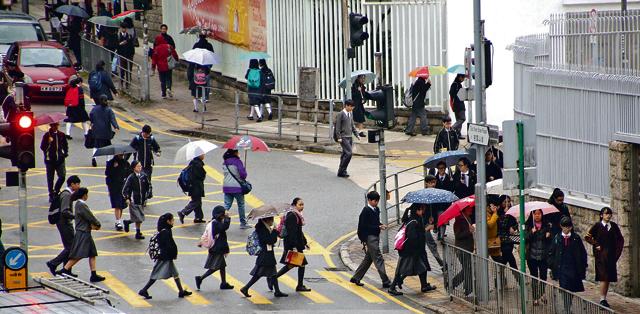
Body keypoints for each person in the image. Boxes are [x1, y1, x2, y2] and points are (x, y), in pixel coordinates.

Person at [138, 213, 193, 299]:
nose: (173, 222)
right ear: (168, 221)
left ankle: (181, 291)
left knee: (175, 274)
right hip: (164, 257)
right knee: (155, 274)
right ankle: (144, 290)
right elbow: (168, 246)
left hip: (167, 257)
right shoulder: (165, 232)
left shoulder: (165, 230)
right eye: (172, 220)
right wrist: (172, 254)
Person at [57, 188, 105, 283]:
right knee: (79, 254)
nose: (88, 196)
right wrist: (97, 224)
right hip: (83, 232)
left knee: (92, 253)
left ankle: (93, 274)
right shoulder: (81, 205)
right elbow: (90, 216)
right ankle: (65, 269)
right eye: (87, 194)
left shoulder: (79, 204)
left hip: (85, 231)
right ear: (84, 195)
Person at [388, 205, 437, 295]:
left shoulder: (415, 218)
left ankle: (424, 285)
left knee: (422, 268)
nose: (423, 211)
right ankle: (392, 287)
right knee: (403, 269)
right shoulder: (413, 221)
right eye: (422, 209)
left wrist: (427, 225)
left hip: (415, 251)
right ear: (417, 210)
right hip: (411, 251)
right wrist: (425, 230)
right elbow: (413, 237)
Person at [584, 207, 624, 308]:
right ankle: (602, 299)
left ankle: (604, 298)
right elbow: (587, 237)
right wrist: (596, 244)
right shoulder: (598, 226)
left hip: (610, 256)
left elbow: (620, 239)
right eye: (606, 214)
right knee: (603, 276)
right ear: (601, 215)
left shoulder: (613, 226)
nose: (608, 216)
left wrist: (616, 252)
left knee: (608, 278)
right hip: (601, 256)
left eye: (610, 214)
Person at [240, 216, 288, 298]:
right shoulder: (262, 229)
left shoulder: (264, 227)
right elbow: (269, 240)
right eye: (271, 220)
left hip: (267, 253)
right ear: (267, 220)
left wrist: (273, 231)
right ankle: (246, 287)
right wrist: (275, 231)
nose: (272, 222)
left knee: (273, 273)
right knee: (258, 274)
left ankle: (277, 291)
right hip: (265, 254)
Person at [350, 191, 391, 288]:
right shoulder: (365, 211)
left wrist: (380, 225)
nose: (376, 203)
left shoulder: (376, 209)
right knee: (378, 258)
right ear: (369, 200)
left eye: (377, 201)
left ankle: (356, 277)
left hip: (375, 237)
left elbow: (375, 222)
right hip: (370, 238)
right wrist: (377, 228)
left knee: (368, 259)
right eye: (374, 201)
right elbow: (364, 226)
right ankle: (385, 281)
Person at [549, 217, 587, 313]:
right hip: (561, 268)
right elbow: (551, 252)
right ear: (561, 226)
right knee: (564, 287)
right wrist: (551, 266)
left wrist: (583, 266)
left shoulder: (576, 238)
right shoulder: (557, 238)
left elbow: (582, 253)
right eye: (564, 227)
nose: (566, 229)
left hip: (573, 268)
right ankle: (566, 308)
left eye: (568, 227)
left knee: (571, 289)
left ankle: (568, 306)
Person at [274, 198, 312, 292]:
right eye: (300, 204)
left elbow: (299, 231)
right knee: (297, 264)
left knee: (294, 265)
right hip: (292, 244)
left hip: (296, 243)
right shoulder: (292, 215)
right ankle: (273, 278)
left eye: (303, 204)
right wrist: (294, 247)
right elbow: (292, 232)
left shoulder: (297, 215)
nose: (302, 207)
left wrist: (305, 242)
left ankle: (299, 285)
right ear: (294, 205)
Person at [46, 175, 81, 276]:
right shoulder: (66, 195)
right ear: (72, 184)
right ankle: (53, 263)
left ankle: (67, 270)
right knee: (71, 247)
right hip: (64, 223)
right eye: (77, 184)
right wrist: (75, 216)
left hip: (63, 222)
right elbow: (65, 211)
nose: (78, 186)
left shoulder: (66, 194)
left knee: (69, 247)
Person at [195, 206, 234, 291]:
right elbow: (224, 227)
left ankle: (223, 283)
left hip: (217, 247)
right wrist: (227, 218)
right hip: (217, 248)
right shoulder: (216, 223)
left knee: (222, 266)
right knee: (215, 267)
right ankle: (200, 278)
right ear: (220, 215)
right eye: (223, 214)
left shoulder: (214, 222)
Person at [525, 208, 552, 305]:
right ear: (532, 215)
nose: (537, 216)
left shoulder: (547, 225)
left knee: (543, 276)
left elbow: (550, 240)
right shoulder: (528, 225)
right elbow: (525, 238)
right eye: (535, 214)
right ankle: (535, 297)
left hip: (543, 256)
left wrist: (549, 235)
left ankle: (542, 293)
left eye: (539, 213)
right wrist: (531, 232)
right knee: (534, 277)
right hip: (532, 256)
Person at [122, 161, 152, 240]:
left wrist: (148, 194)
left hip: (142, 200)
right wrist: (127, 198)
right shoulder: (131, 177)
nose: (140, 168)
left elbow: (149, 186)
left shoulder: (144, 176)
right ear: (134, 168)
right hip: (134, 201)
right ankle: (138, 232)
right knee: (138, 218)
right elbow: (125, 190)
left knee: (139, 218)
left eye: (140, 166)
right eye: (138, 166)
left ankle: (128, 223)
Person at [40, 122, 68, 203]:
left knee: (62, 176)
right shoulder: (47, 135)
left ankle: (56, 190)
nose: (55, 127)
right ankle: (51, 194)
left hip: (60, 159)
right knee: (50, 178)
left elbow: (65, 145)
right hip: (50, 160)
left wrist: (65, 153)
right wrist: (48, 142)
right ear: (50, 126)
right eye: (53, 125)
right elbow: (42, 147)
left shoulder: (61, 135)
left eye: (56, 125)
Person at [222, 149, 249, 229]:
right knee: (241, 204)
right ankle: (243, 223)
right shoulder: (238, 162)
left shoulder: (225, 162)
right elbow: (243, 175)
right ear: (235, 153)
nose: (239, 153)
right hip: (237, 187)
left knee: (226, 205)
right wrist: (244, 170)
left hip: (226, 186)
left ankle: (217, 219)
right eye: (237, 152)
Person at [89, 95, 120, 167]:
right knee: (108, 147)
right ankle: (108, 161)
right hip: (106, 131)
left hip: (96, 131)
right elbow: (113, 119)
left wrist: (92, 122)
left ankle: (94, 158)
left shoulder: (95, 109)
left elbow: (91, 116)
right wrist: (116, 127)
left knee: (96, 146)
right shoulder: (109, 110)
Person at [177, 154, 207, 224]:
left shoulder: (194, 163)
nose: (204, 155)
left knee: (198, 201)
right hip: (196, 186)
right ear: (199, 155)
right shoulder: (197, 165)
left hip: (193, 186)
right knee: (196, 201)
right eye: (202, 154)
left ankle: (198, 217)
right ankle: (183, 212)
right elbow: (201, 176)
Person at [452, 205, 474, 296]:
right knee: (467, 269)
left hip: (468, 248)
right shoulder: (458, 222)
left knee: (467, 269)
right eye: (469, 208)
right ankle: (466, 289)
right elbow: (458, 236)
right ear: (464, 210)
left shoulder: (468, 218)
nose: (471, 210)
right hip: (461, 249)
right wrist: (469, 231)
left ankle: (465, 288)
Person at [422, 177, 445, 265]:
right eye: (431, 183)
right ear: (426, 183)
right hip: (422, 225)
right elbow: (418, 211)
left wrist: (433, 220)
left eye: (434, 183)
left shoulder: (436, 195)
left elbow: (436, 210)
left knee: (431, 245)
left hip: (428, 223)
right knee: (429, 245)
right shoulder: (422, 196)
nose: (433, 185)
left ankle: (442, 264)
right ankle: (442, 264)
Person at [106, 154, 131, 231]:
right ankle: (118, 221)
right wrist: (114, 167)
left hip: (123, 186)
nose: (121, 156)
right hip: (114, 187)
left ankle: (119, 219)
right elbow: (107, 174)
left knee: (122, 204)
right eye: (120, 154)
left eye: (122, 154)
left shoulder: (126, 163)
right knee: (117, 204)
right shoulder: (111, 163)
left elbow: (129, 173)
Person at [335, 100, 360, 178]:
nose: (352, 108)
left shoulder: (350, 114)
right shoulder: (341, 114)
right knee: (349, 153)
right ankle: (342, 170)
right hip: (343, 137)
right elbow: (337, 127)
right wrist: (338, 137)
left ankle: (342, 171)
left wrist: (356, 134)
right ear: (347, 106)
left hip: (349, 137)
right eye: (351, 107)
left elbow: (352, 125)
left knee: (345, 154)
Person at [63, 75, 90, 139]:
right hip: (79, 107)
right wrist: (83, 108)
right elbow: (81, 99)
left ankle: (67, 133)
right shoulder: (79, 89)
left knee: (69, 120)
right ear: (79, 82)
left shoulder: (70, 88)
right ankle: (86, 133)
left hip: (70, 106)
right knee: (84, 120)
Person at [497, 195, 518, 271]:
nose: (507, 204)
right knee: (511, 260)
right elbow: (501, 225)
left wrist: (513, 227)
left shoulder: (511, 212)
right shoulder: (498, 212)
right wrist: (505, 214)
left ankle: (499, 279)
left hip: (510, 239)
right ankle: (519, 280)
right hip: (502, 240)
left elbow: (515, 223)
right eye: (505, 202)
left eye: (508, 202)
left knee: (504, 260)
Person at [116, 23, 135, 89]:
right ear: (120, 28)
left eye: (125, 28)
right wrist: (120, 44)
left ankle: (127, 83)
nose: (123, 29)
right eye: (122, 28)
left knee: (128, 70)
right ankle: (121, 83)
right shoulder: (118, 36)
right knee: (122, 70)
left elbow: (132, 46)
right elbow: (116, 46)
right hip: (121, 55)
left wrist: (132, 55)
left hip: (129, 55)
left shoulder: (129, 36)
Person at [449, 74, 466, 139]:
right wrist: (458, 93)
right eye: (463, 78)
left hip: (457, 105)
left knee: (459, 120)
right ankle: (452, 128)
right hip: (458, 104)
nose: (463, 79)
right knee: (462, 118)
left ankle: (458, 134)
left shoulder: (458, 84)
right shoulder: (455, 84)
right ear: (459, 77)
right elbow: (451, 93)